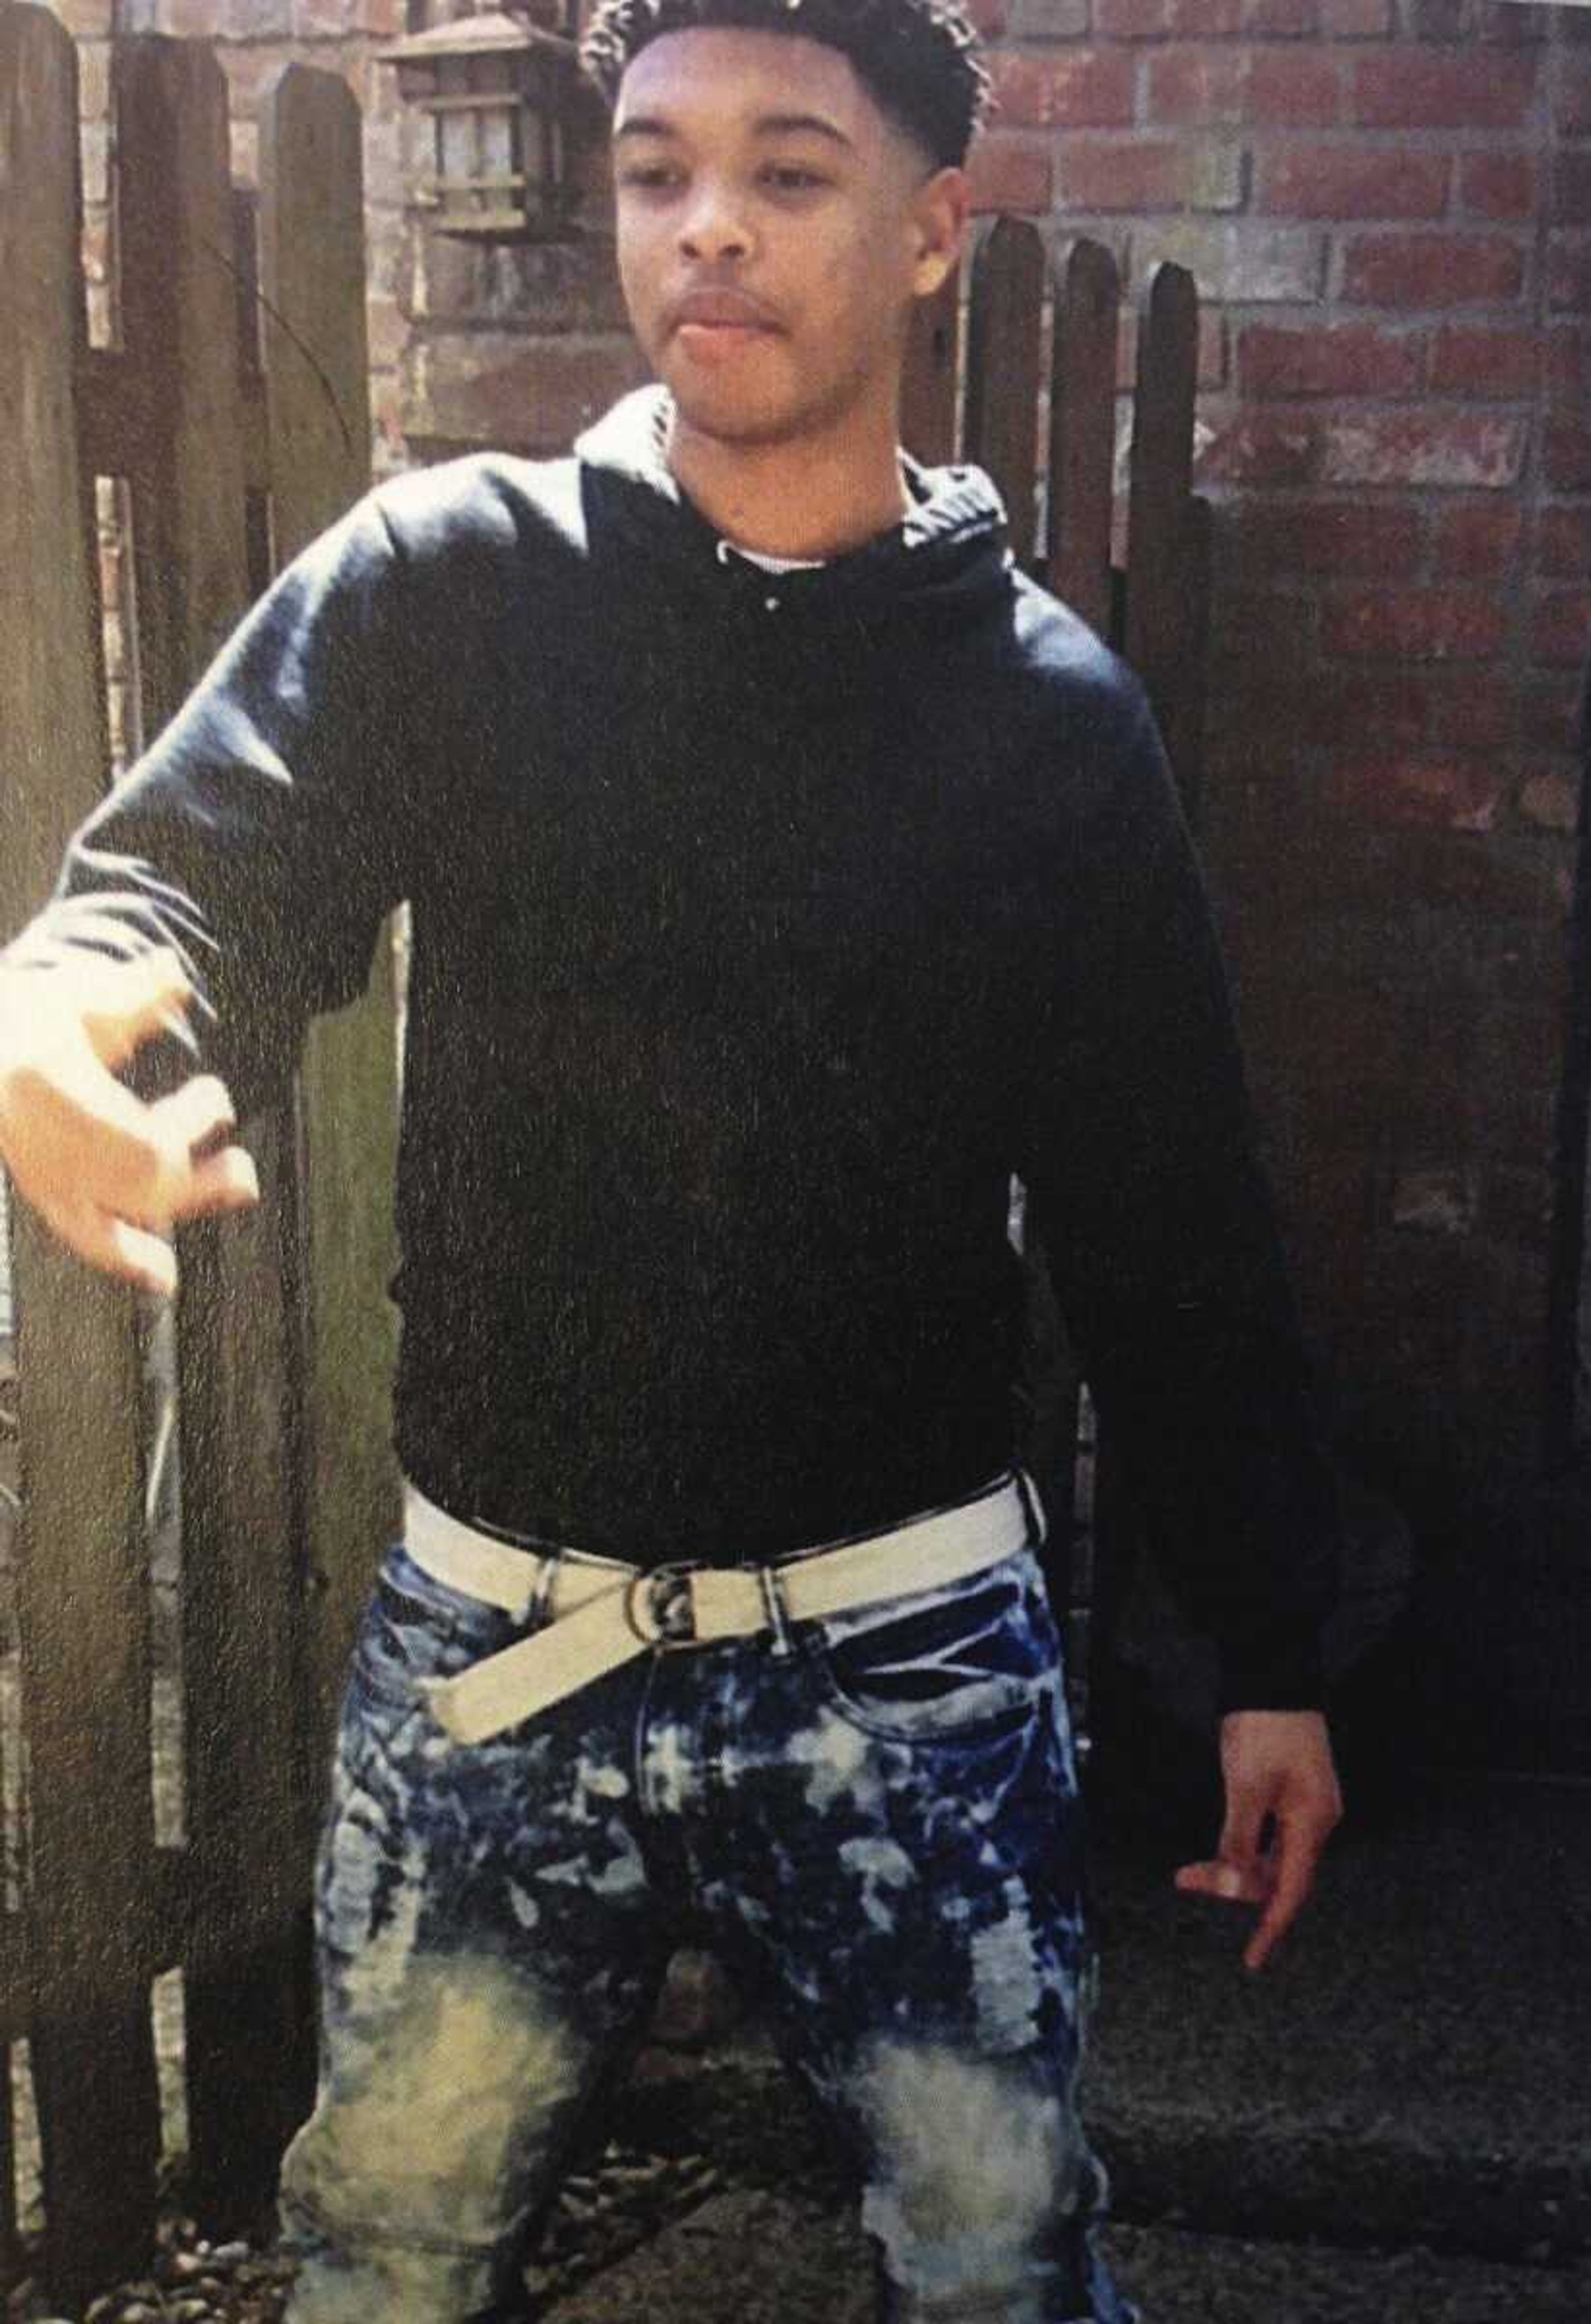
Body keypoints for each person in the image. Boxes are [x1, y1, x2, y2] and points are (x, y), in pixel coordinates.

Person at [0, 4, 1344, 2317]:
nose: (705, 225)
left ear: (932, 231)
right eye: (654, 168)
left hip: (905, 1654)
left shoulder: (1044, 720)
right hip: (497, 1643)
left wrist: (1271, 1650)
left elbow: (1171, 1215)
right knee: (386, 2261)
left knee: (1003, 2257)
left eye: (790, 172)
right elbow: (196, 877)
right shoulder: (452, 587)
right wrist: (61, 995)